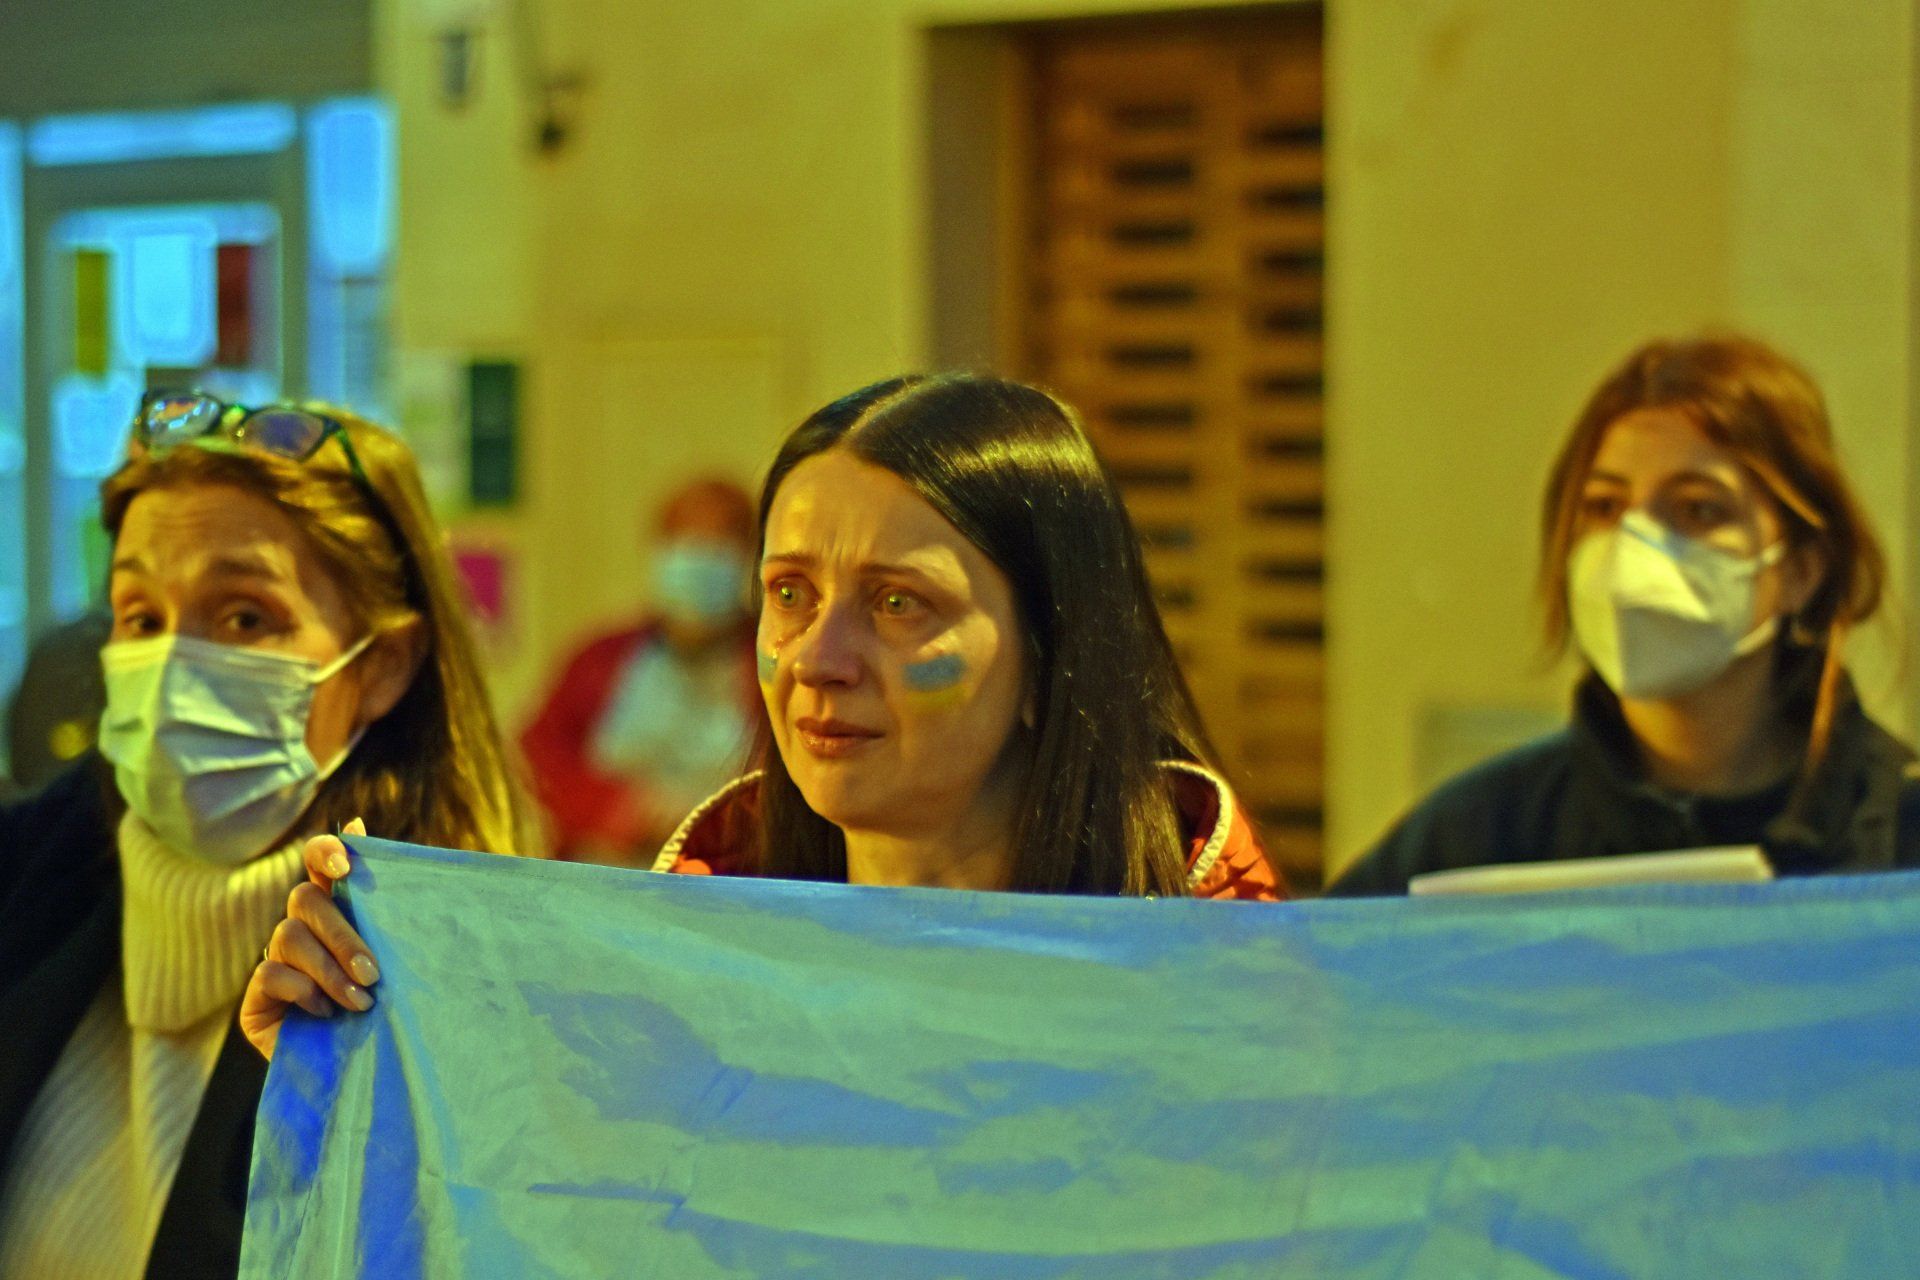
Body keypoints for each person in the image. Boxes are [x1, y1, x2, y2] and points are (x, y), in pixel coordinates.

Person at [242, 373, 1286, 1060]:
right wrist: (353, 1049)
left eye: (898, 602)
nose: (817, 662)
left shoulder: (1239, 1000)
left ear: (1053, 652)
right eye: (789, 592)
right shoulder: (679, 960)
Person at [0, 392, 536, 1278]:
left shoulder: (450, 980)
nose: (173, 665)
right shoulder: (25, 881)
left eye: (244, 617)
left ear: (380, 667)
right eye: (141, 617)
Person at [1330, 334, 1920, 896]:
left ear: (1801, 570)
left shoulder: (1898, 836)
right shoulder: (1480, 835)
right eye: (1605, 506)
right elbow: (1306, 985)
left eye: (1698, 509)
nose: (1634, 547)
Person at [520, 478, 759, 863]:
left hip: (724, 884)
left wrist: (713, 821)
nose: (699, 561)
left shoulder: (770, 668)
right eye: (685, 542)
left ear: (750, 557)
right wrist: (620, 809)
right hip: (603, 879)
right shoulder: (600, 659)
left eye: (718, 545)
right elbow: (535, 760)